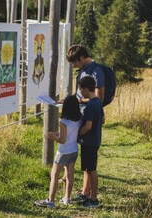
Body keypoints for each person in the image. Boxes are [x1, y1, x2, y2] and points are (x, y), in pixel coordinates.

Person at [66, 44, 105, 201]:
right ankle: (85, 192)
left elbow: (99, 97)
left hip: (89, 123)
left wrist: (83, 101)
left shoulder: (96, 71)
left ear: (81, 57)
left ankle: (90, 195)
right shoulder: (82, 71)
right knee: (88, 165)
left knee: (90, 166)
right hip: (84, 118)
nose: (73, 65)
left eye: (74, 62)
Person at [34, 95, 82, 208]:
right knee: (70, 175)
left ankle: (50, 200)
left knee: (54, 175)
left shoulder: (63, 121)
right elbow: (70, 135)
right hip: (74, 150)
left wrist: (52, 136)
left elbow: (62, 139)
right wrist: (59, 135)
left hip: (63, 152)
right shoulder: (78, 119)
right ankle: (67, 198)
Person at [77, 76, 104, 208]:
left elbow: (87, 126)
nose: (80, 92)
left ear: (86, 88)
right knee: (88, 168)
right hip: (95, 140)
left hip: (89, 142)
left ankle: (94, 199)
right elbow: (103, 120)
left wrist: (76, 134)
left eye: (81, 89)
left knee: (91, 169)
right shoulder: (98, 101)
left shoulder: (90, 106)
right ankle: (86, 193)